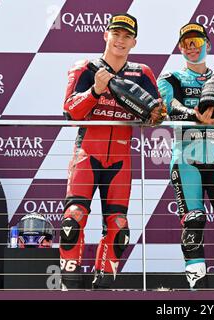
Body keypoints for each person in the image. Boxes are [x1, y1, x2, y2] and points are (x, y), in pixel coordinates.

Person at [60, 13, 165, 290]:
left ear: (134, 42)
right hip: (86, 154)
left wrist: (153, 114)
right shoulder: (85, 67)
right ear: (105, 35)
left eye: (126, 36)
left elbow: (157, 114)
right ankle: (69, 285)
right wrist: (96, 90)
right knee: (73, 218)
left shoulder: (142, 73)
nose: (120, 40)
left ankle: (104, 288)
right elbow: (70, 112)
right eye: (116, 34)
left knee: (119, 226)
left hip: (120, 158)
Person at [157, 23, 214, 290]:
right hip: (186, 159)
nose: (191, 47)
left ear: (207, 45)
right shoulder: (171, 78)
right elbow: (168, 107)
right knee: (194, 221)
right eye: (186, 43)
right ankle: (197, 288)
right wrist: (194, 115)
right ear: (180, 48)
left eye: (196, 41)